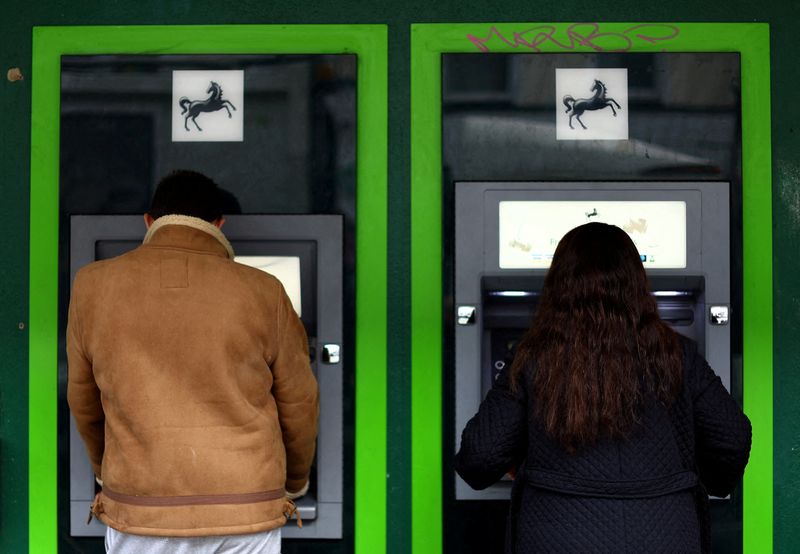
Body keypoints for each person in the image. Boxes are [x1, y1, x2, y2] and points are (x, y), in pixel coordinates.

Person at [455, 222, 752, 553]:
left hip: (559, 536)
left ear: (558, 286)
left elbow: (478, 457)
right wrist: (692, 478)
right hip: (664, 533)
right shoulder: (677, 354)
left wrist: (527, 455)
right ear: (637, 285)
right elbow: (732, 437)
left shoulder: (533, 357)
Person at [67, 170, 319, 553]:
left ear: (149, 221)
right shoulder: (265, 291)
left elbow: (84, 402)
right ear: (219, 224)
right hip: (244, 505)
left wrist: (108, 473)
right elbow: (299, 403)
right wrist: (295, 481)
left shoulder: (92, 285)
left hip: (142, 506)